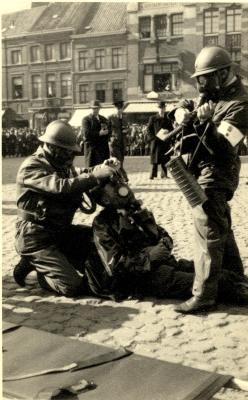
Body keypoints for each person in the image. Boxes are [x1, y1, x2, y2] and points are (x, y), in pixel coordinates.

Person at [84, 176, 248, 304]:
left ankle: (238, 282)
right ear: (105, 199)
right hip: (142, 279)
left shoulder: (135, 210)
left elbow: (163, 234)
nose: (122, 187)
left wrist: (164, 242)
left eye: (119, 183)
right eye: (114, 187)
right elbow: (116, 265)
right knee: (209, 283)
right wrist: (149, 257)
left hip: (166, 264)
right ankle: (240, 291)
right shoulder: (103, 224)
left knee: (213, 271)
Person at [170, 46, 248, 313]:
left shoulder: (240, 102)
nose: (201, 85)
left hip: (217, 174)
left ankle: (203, 295)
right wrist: (181, 109)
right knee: (220, 227)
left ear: (223, 74)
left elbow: (226, 146)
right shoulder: (217, 93)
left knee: (208, 233)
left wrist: (206, 125)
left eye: (206, 78)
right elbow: (191, 102)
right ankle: (237, 284)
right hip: (205, 170)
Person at [14, 119, 120, 297]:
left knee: (100, 241)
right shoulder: (32, 166)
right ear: (51, 146)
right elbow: (60, 187)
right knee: (72, 286)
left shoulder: (60, 163)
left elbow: (79, 173)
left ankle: (52, 261)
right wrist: (94, 177)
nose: (70, 156)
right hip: (36, 238)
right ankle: (38, 268)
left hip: (59, 232)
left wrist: (102, 167)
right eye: (67, 152)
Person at [146, 100, 173, 179]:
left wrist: (168, 131)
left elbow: (171, 129)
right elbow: (149, 129)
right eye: (160, 108)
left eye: (163, 108)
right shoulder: (153, 118)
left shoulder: (167, 119)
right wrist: (153, 138)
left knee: (165, 158)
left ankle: (164, 175)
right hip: (155, 141)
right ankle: (152, 175)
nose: (161, 109)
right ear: (158, 109)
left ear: (165, 109)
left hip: (164, 141)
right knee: (154, 158)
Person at [82, 100, 110, 168]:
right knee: (91, 171)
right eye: (93, 108)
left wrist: (108, 132)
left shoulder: (104, 119)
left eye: (96, 108)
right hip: (92, 150)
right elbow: (86, 134)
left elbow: (108, 131)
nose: (95, 110)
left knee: (103, 170)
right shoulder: (86, 119)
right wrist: (99, 133)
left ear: (99, 108)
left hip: (103, 150)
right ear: (90, 108)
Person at [108, 100, 129, 182]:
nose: (119, 110)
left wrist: (127, 130)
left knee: (121, 161)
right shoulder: (110, 117)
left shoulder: (125, 117)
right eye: (118, 108)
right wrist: (110, 140)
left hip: (122, 143)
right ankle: (124, 177)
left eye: (121, 108)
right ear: (115, 108)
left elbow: (128, 128)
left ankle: (116, 177)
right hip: (114, 143)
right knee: (117, 161)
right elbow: (108, 130)